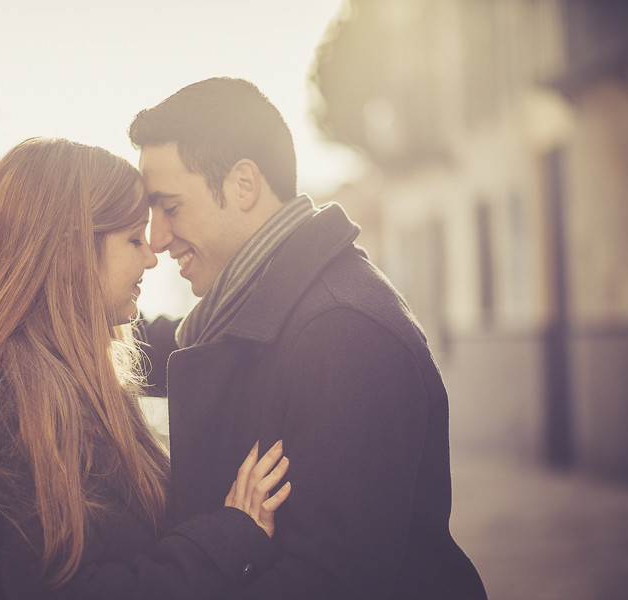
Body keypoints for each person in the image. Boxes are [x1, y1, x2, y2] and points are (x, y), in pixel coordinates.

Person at [129, 77, 487, 599]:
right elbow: (180, 347)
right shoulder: (257, 311)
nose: (157, 238)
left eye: (170, 207)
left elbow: (333, 581)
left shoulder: (345, 332)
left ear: (244, 184)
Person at [0, 137, 292, 600]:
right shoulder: (6, 413)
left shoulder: (39, 378)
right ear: (70, 250)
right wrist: (231, 537)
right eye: (134, 237)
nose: (151, 256)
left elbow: (177, 344)